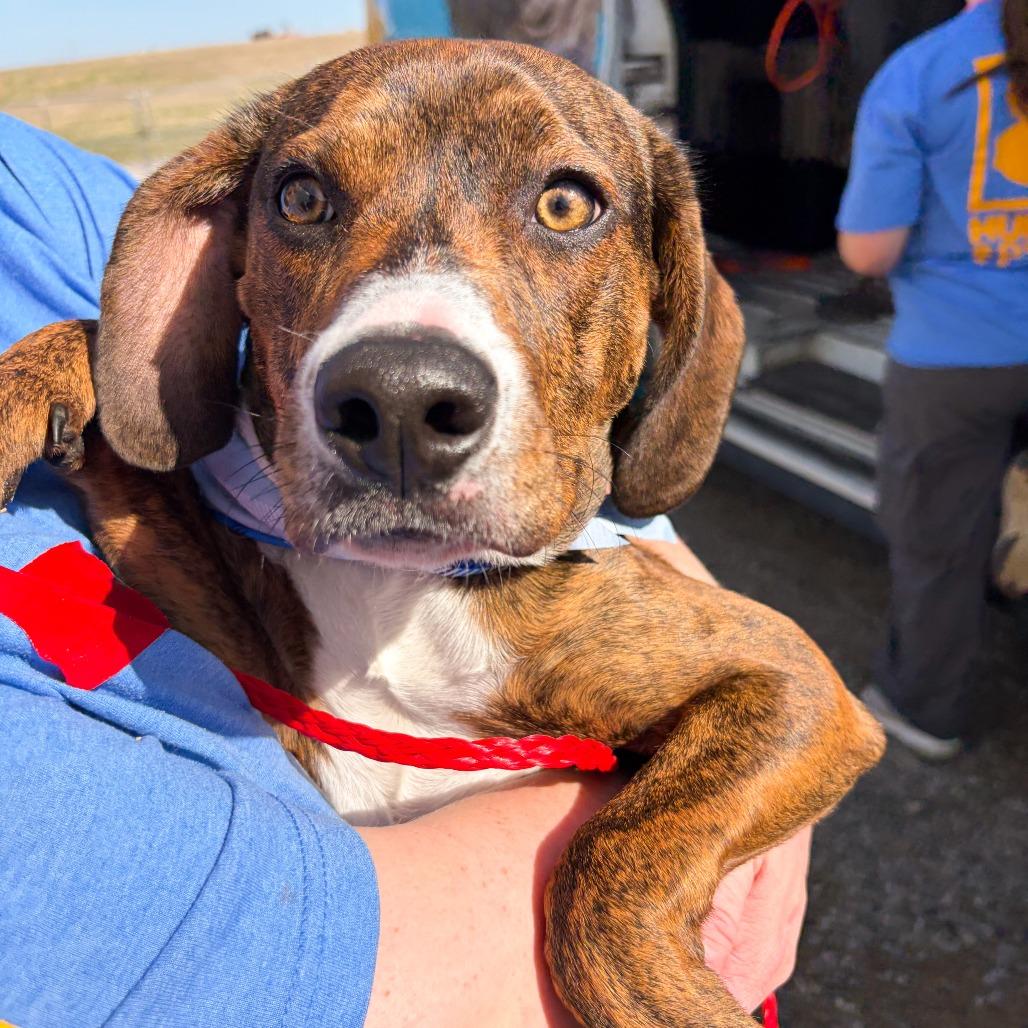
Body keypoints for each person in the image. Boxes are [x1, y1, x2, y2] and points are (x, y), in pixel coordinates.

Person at [0, 112, 808, 1025]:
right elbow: (154, 380)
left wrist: (624, 908)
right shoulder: (199, 487)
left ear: (667, 286)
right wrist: (79, 366)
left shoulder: (32, 186)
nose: (404, 389)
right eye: (308, 202)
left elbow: (800, 707)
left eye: (562, 202)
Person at [837, 0, 1028, 760]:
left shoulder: (921, 75)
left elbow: (867, 253)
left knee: (940, 544)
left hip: (956, 360)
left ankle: (922, 705)